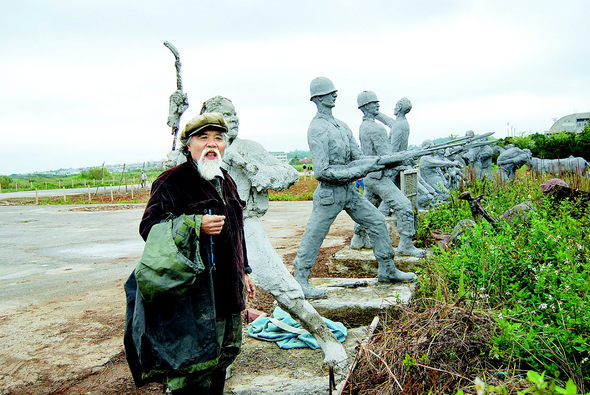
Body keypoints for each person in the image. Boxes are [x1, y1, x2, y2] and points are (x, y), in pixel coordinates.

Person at [199, 96, 347, 367]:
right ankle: (217, 361)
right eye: (223, 117)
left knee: (283, 285)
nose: (231, 121)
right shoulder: (199, 154)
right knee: (210, 297)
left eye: (234, 116)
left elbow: (287, 174)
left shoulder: (248, 149)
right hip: (206, 232)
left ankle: (327, 339)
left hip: (246, 227)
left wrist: (250, 167)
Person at [124, 112, 255, 394]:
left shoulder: (226, 179)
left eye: (218, 138)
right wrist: (194, 225)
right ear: (189, 144)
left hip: (228, 293)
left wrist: (243, 270)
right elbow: (149, 228)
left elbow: (237, 230)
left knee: (221, 361)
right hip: (195, 297)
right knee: (193, 369)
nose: (212, 144)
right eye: (203, 138)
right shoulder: (172, 181)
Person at [292, 77, 416, 300]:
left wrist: (387, 161)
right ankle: (300, 280)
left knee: (376, 221)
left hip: (349, 191)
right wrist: (363, 169)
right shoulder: (317, 128)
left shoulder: (341, 125)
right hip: (329, 193)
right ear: (318, 98)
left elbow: (359, 159)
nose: (334, 95)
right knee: (315, 234)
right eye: (330, 93)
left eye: (334, 92)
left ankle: (387, 269)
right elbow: (322, 171)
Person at [350, 91, 425, 257]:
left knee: (367, 207)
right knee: (404, 206)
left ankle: (358, 238)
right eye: (374, 103)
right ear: (365, 107)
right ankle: (406, 244)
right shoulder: (377, 129)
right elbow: (387, 156)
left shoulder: (364, 126)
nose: (378, 105)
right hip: (379, 176)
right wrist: (408, 156)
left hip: (370, 175)